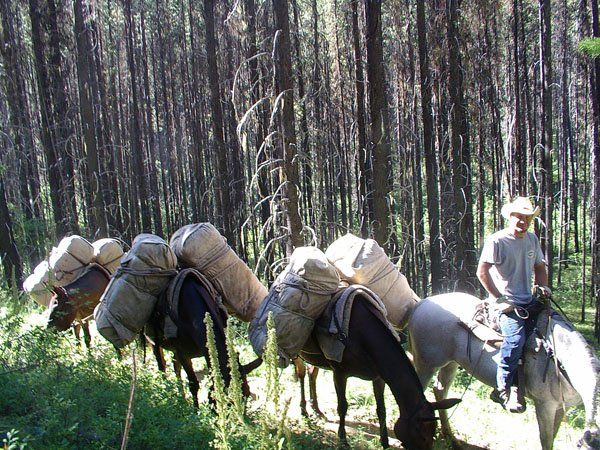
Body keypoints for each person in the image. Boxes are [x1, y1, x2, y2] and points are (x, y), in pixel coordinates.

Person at [476, 196, 551, 413]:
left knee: (554, 326)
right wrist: (500, 298)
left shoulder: (532, 240)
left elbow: (539, 266)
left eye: (527, 218)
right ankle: (502, 390)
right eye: (519, 217)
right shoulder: (497, 241)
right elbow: (482, 272)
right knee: (516, 340)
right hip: (505, 304)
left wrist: (543, 286)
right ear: (510, 217)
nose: (523, 221)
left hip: (528, 300)